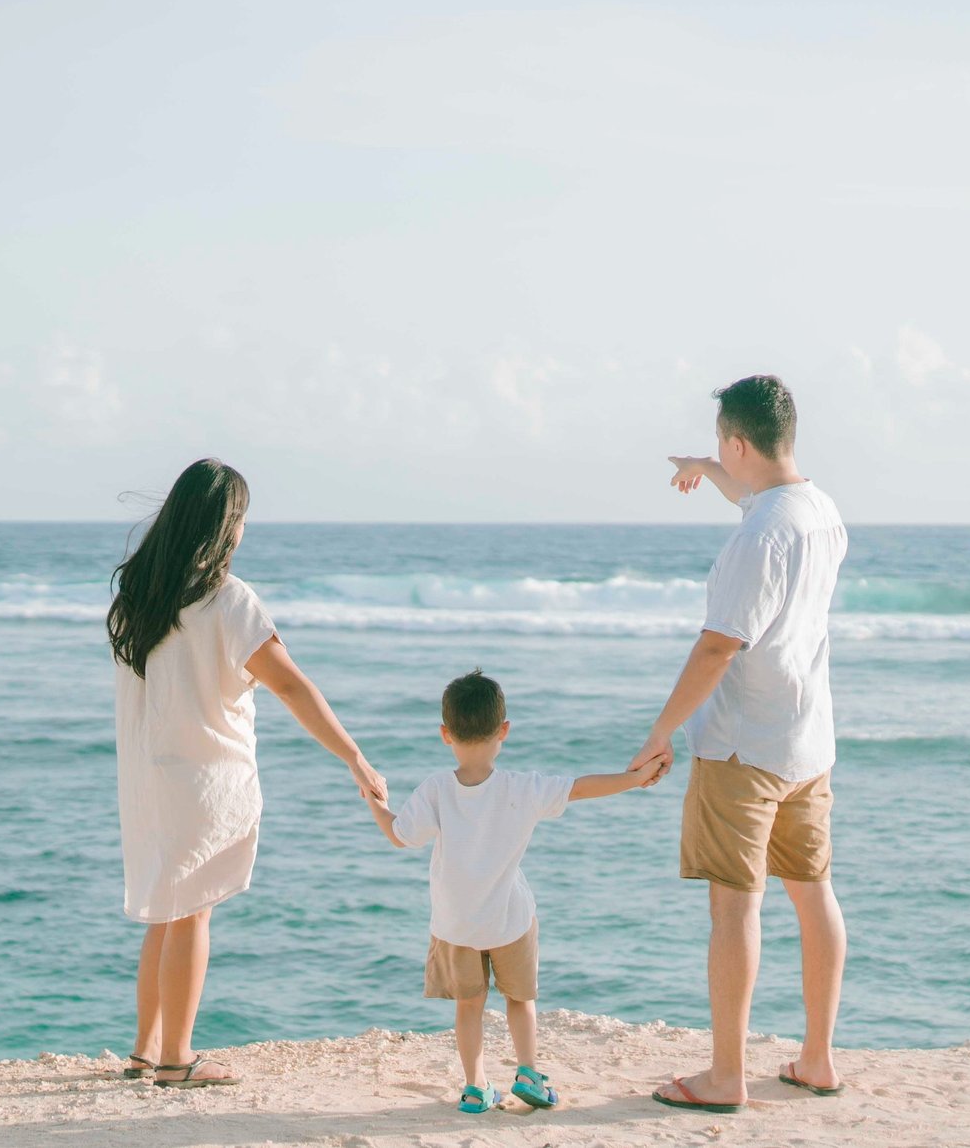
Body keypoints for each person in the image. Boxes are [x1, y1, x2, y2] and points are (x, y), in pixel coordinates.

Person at [109, 457, 387, 1089]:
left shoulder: (140, 599)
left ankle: (145, 1051)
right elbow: (292, 686)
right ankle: (178, 1059)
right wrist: (354, 755)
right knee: (191, 914)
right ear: (225, 526)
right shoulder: (228, 600)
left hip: (149, 781)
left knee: (167, 910)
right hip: (206, 780)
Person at [630, 375, 850, 1114]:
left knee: (735, 908)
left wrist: (660, 733)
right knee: (812, 893)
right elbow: (756, 495)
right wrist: (709, 467)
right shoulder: (818, 510)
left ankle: (727, 1077)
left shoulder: (757, 537)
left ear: (738, 439)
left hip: (741, 747)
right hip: (805, 741)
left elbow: (719, 647)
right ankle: (816, 1059)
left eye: (725, 448)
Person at [365, 669, 668, 1114]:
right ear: (503, 730)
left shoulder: (435, 789)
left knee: (469, 1006)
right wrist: (636, 778)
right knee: (521, 1000)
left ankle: (475, 1087)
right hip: (509, 919)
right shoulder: (523, 788)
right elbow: (581, 787)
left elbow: (399, 835)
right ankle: (527, 1072)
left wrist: (375, 800)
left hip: (456, 925)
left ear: (445, 734)